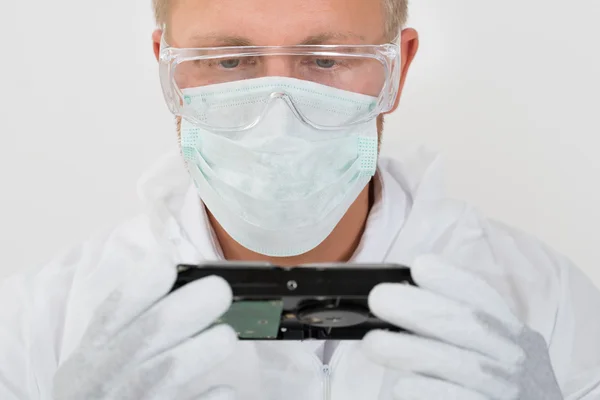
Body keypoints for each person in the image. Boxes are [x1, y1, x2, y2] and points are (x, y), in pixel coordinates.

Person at [1, 0, 599, 398]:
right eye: (228, 60)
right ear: (166, 66)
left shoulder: (546, 301)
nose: (278, 120)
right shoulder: (44, 323)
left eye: (328, 59)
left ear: (399, 67)